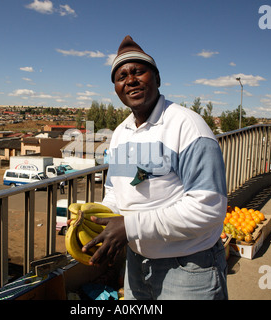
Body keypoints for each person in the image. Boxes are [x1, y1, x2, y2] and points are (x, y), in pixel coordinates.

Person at [82, 35, 228, 300]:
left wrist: (131, 227)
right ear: (116, 88)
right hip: (137, 266)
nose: (130, 80)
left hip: (188, 267)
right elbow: (116, 192)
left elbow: (209, 207)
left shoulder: (187, 126)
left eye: (139, 71)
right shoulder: (121, 133)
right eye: (121, 76)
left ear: (157, 79)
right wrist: (97, 222)